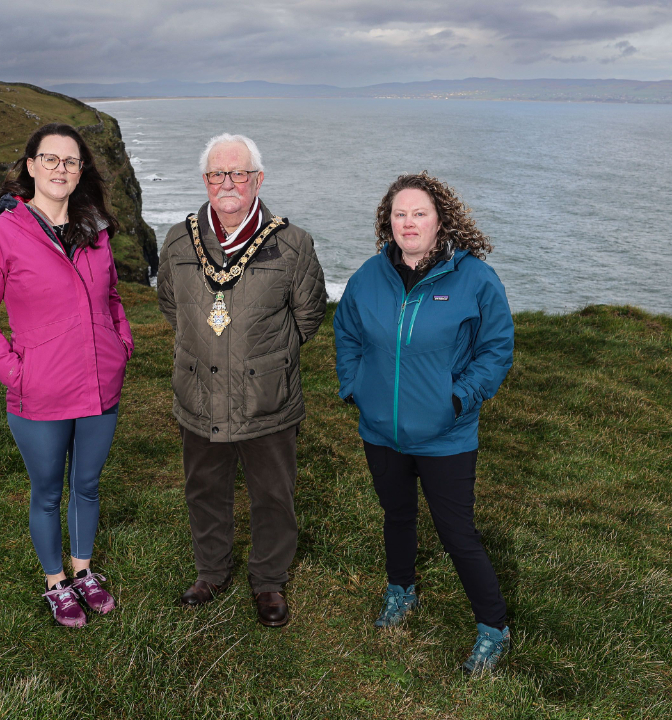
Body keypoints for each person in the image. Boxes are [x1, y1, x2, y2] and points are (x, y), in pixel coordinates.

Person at [333, 172, 514, 674]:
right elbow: (346, 331)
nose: (408, 222)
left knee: (457, 533)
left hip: (445, 435)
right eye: (399, 214)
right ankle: (401, 591)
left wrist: (458, 400)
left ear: (441, 221)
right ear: (387, 222)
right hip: (382, 431)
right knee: (397, 515)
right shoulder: (369, 276)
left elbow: (496, 349)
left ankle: (493, 627)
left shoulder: (475, 278)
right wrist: (355, 387)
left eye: (419, 213)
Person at [0, 123, 133, 628]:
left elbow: (114, 298)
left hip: (101, 385)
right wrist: (16, 374)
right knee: (48, 492)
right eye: (51, 159)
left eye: (71, 161)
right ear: (31, 166)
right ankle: (56, 581)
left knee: (87, 484)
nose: (62, 169)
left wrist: (121, 345)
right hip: (38, 391)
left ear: (81, 172)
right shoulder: (2, 234)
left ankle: (84, 572)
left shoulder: (96, 231)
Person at [157, 133, 326, 628]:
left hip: (267, 400)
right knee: (203, 489)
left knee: (273, 493)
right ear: (205, 180)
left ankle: (269, 580)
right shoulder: (177, 239)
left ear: (258, 179)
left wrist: (264, 359)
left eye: (238, 173)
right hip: (198, 395)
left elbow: (309, 315)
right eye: (216, 174)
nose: (226, 183)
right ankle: (211, 570)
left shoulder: (292, 244)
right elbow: (173, 305)